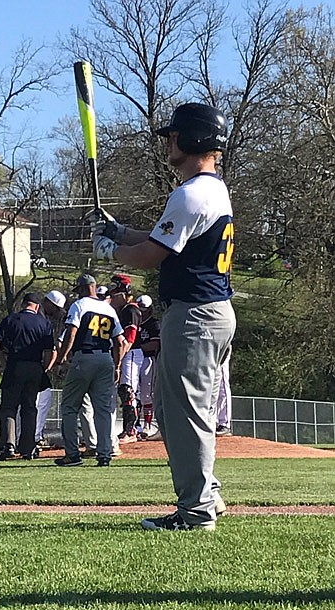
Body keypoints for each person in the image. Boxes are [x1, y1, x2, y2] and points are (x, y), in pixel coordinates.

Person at [90, 102, 235, 531]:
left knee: (185, 415)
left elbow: (153, 255)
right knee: (180, 415)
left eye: (174, 136)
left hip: (195, 315)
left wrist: (109, 252)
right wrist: (119, 232)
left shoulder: (191, 193)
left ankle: (196, 512)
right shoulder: (212, 189)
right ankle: (205, 496)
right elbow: (164, 241)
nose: (169, 142)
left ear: (191, 140)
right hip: (208, 313)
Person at [54, 272, 125, 467]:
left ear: (84, 289)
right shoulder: (109, 309)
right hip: (105, 358)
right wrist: (117, 365)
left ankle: (72, 454)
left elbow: (71, 332)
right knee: (102, 410)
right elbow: (120, 342)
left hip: (84, 357)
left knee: (69, 407)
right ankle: (104, 454)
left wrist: (61, 360)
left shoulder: (80, 305)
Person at [0, 292, 55, 461]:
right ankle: (28, 447)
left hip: (15, 365)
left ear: (24, 304)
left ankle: (8, 445)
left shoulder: (11, 319)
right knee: (29, 407)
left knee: (8, 407)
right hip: (35, 367)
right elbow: (50, 350)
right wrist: (45, 368)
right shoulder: (44, 323)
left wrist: (4, 358)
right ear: (36, 306)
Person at [108, 273, 142, 443]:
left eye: (115, 292)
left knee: (127, 390)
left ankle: (131, 431)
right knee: (123, 391)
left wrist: (118, 363)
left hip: (131, 353)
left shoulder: (130, 310)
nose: (112, 296)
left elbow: (129, 339)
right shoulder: (121, 310)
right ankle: (129, 430)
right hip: (123, 353)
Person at [34, 290, 67, 447]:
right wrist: (48, 367)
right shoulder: (42, 320)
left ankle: (23, 437)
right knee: (41, 400)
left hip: (21, 366)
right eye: (56, 308)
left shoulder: (32, 316)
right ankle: (35, 436)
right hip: (36, 366)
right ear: (48, 303)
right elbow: (51, 349)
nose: (57, 313)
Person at [134, 294, 161, 439]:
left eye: (144, 309)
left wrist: (138, 348)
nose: (142, 312)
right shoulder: (134, 321)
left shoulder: (153, 324)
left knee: (146, 393)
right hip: (134, 359)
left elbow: (155, 343)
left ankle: (148, 426)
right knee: (134, 392)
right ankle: (135, 425)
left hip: (147, 359)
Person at [215, 344, 233, 436]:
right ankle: (212, 422)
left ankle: (224, 424)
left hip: (221, 345)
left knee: (222, 387)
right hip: (205, 345)